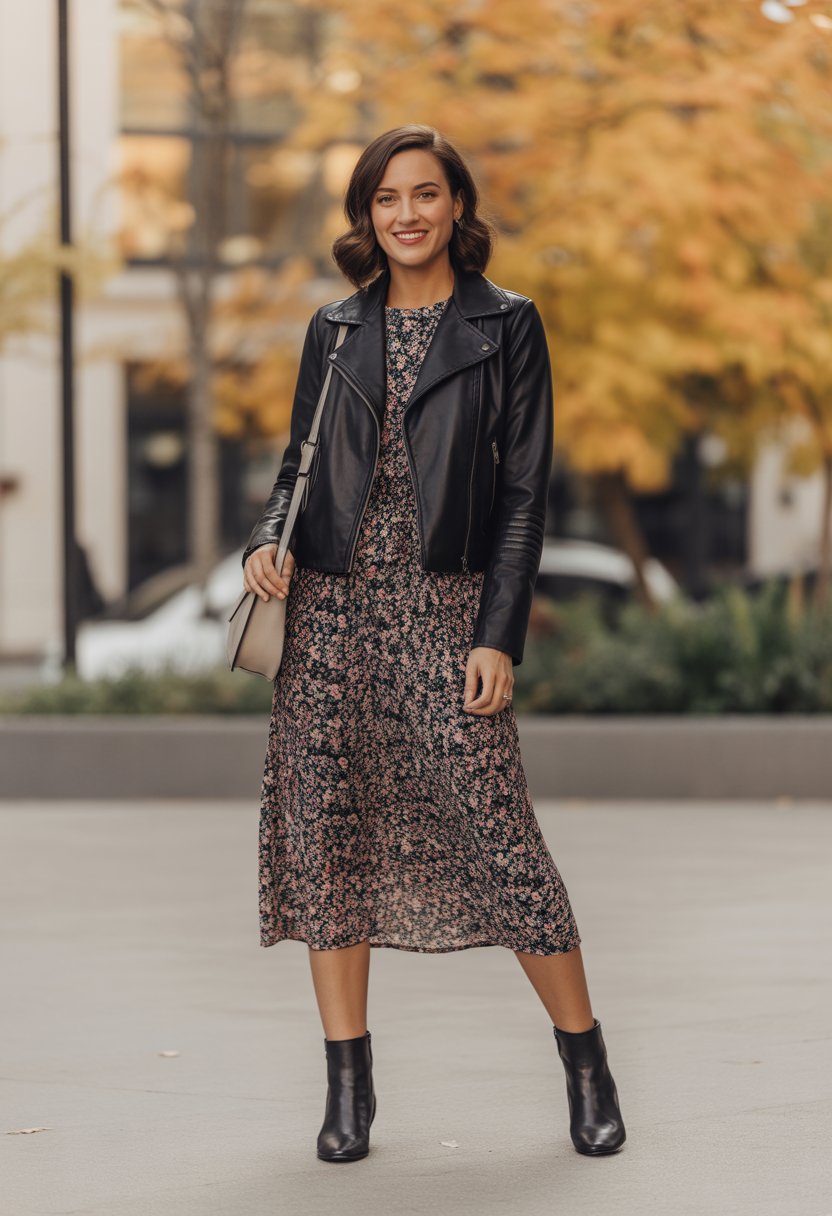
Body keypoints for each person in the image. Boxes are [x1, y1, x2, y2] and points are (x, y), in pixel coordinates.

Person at [241, 124, 626, 1163]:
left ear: (457, 206)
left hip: (445, 613)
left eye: (424, 193)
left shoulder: (507, 325)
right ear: (366, 216)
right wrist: (266, 541)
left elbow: (523, 496)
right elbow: (295, 465)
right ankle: (348, 1083)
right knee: (327, 835)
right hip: (328, 617)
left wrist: (498, 634)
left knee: (502, 835)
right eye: (386, 198)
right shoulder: (335, 328)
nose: (405, 214)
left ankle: (585, 1058)